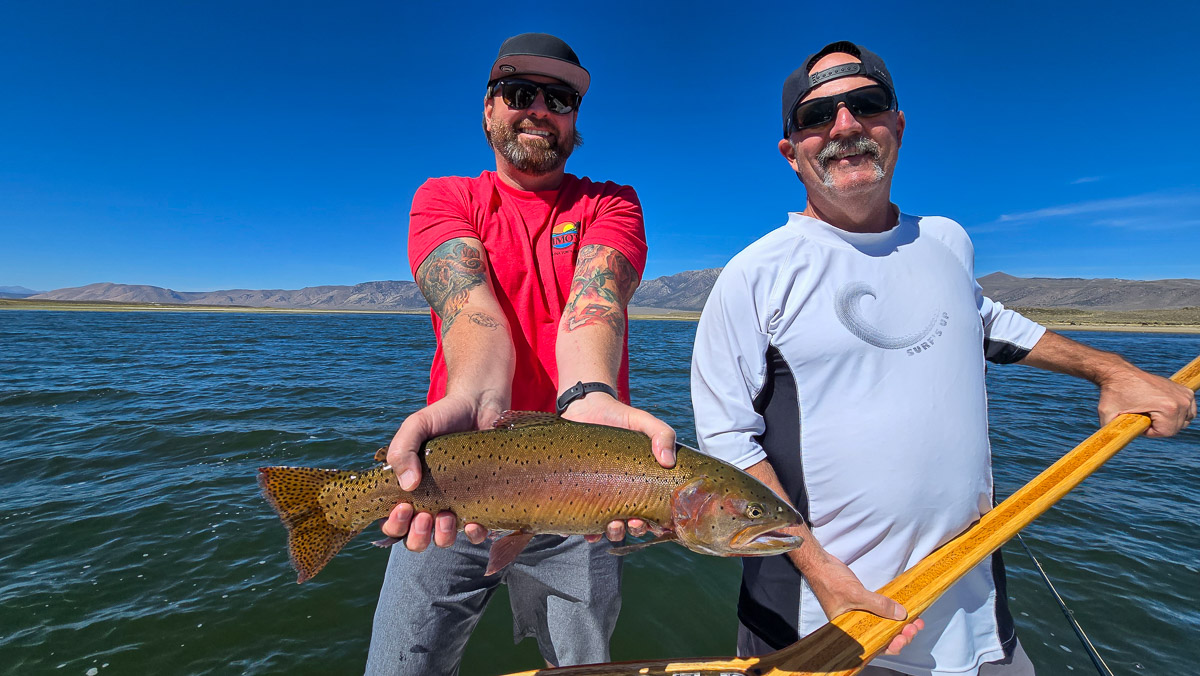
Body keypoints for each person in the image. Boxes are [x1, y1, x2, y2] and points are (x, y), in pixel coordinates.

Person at [689, 41, 1196, 676]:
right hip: (828, 619)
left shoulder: (947, 241)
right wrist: (820, 570)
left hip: (973, 600)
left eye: (865, 105)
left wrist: (1112, 371)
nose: (844, 126)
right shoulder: (754, 275)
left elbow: (986, 322)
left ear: (896, 126)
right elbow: (726, 440)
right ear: (792, 153)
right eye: (817, 117)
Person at [365, 33, 676, 675]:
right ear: (488, 108)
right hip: (458, 476)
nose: (539, 108)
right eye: (519, 92)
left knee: (581, 668)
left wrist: (587, 395)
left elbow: (595, 303)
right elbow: (471, 309)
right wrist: (477, 397)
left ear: (575, 119)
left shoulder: (610, 205)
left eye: (559, 98)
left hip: (584, 493)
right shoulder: (446, 200)